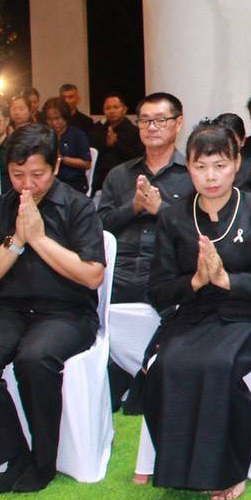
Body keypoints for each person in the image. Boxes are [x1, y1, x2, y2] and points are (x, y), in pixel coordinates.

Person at [134, 120, 251, 500]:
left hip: (249, 317)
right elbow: (158, 290)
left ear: (236, 163)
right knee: (165, 366)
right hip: (193, 315)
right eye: (200, 166)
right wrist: (194, 282)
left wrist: (227, 280)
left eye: (219, 165)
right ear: (188, 167)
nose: (210, 176)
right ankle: (176, 468)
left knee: (218, 365)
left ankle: (229, 470)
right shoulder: (174, 216)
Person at [0, 124, 106, 493]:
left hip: (68, 313)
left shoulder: (77, 207)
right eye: (17, 175)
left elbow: (92, 276)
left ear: (55, 165)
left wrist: (38, 239)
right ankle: (15, 454)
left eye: (36, 175)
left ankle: (43, 461)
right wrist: (17, 242)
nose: (27, 185)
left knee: (35, 358)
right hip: (11, 311)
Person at [96, 93, 193, 403]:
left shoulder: (191, 174)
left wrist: (161, 209)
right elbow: (99, 226)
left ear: (178, 123)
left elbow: (199, 230)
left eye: (161, 120)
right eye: (145, 121)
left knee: (181, 310)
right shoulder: (120, 174)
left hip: (167, 268)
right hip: (121, 269)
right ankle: (116, 377)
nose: (152, 127)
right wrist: (134, 207)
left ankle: (145, 375)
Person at [90, 93, 144, 196]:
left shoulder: (134, 131)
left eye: (115, 107)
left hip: (127, 179)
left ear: (124, 109)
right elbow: (91, 153)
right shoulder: (97, 129)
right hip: (100, 180)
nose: (111, 111)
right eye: (108, 108)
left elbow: (138, 156)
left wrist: (116, 144)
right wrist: (105, 143)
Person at [42, 97, 92, 192]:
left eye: (57, 118)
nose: (54, 123)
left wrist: (62, 158)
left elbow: (86, 163)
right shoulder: (44, 136)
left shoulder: (78, 134)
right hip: (49, 182)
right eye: (49, 119)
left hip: (73, 182)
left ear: (65, 117)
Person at [0, 96, 35, 192]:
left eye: (21, 109)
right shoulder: (7, 132)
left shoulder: (36, 132)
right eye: (14, 109)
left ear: (30, 111)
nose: (17, 112)